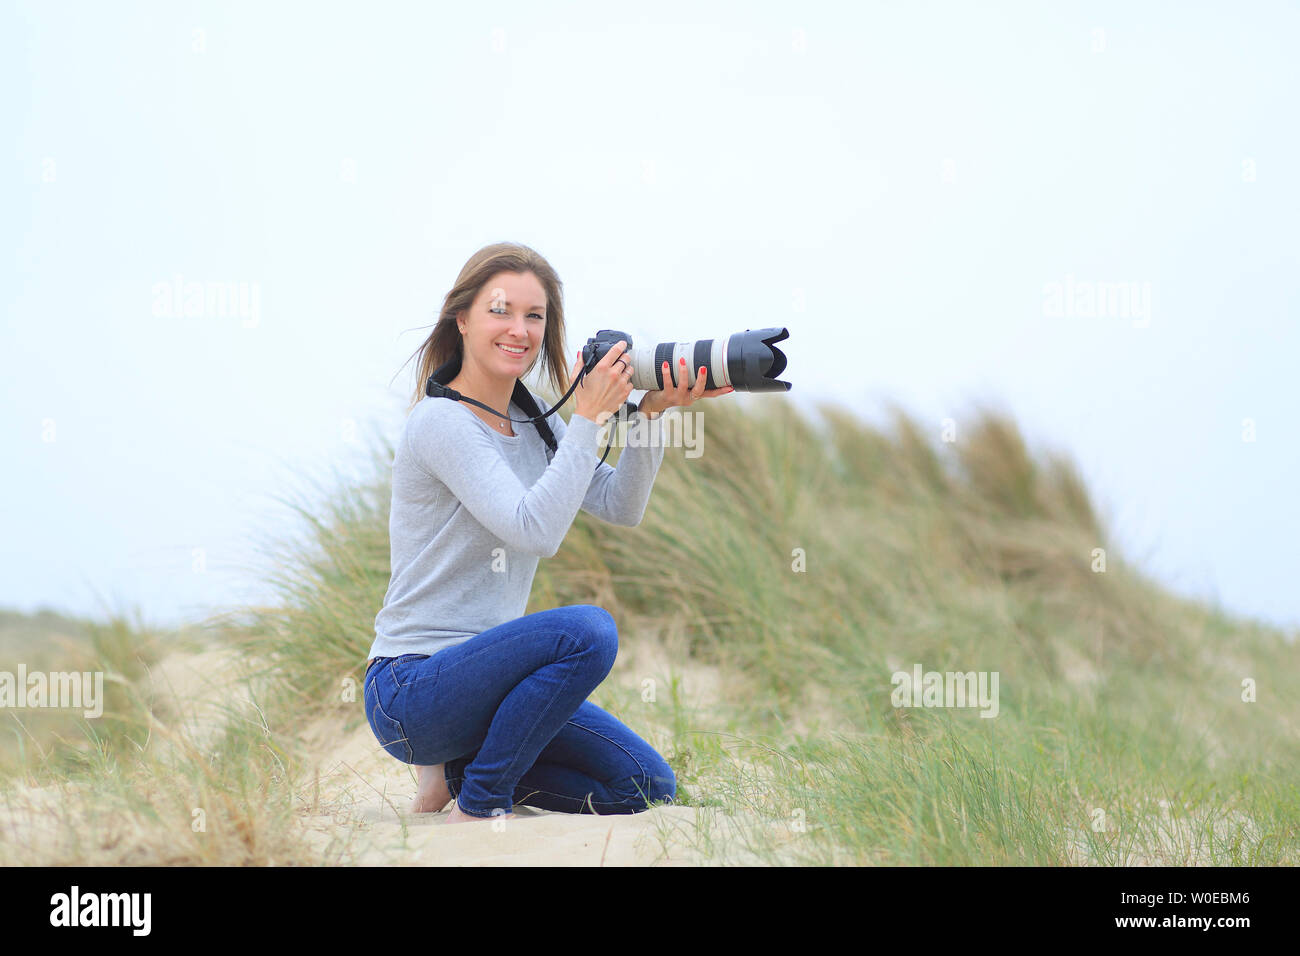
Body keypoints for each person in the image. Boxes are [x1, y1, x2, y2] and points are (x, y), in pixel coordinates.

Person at [364, 241, 734, 824]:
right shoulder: (441, 423)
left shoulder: (535, 416)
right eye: (501, 311)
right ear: (462, 319)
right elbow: (533, 529)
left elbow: (619, 505)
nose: (520, 329)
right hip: (412, 692)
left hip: (493, 694)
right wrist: (588, 418)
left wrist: (651, 412)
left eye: (535, 316)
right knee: (587, 631)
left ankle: (465, 776)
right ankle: (480, 801)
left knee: (645, 784)